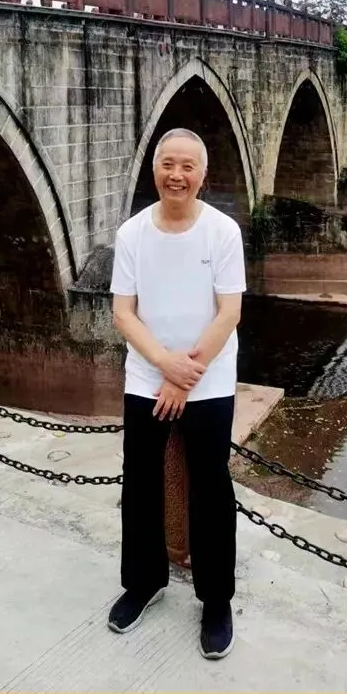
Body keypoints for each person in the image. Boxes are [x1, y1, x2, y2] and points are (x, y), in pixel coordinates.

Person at [107, 127, 246, 660]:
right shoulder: (133, 234)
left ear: (202, 175)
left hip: (208, 378)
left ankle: (216, 599)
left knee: (211, 485)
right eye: (169, 164)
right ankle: (143, 582)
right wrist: (164, 365)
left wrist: (185, 373)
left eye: (188, 166)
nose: (177, 175)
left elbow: (229, 312)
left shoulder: (222, 232)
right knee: (140, 479)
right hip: (148, 375)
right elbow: (124, 312)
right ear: (155, 169)